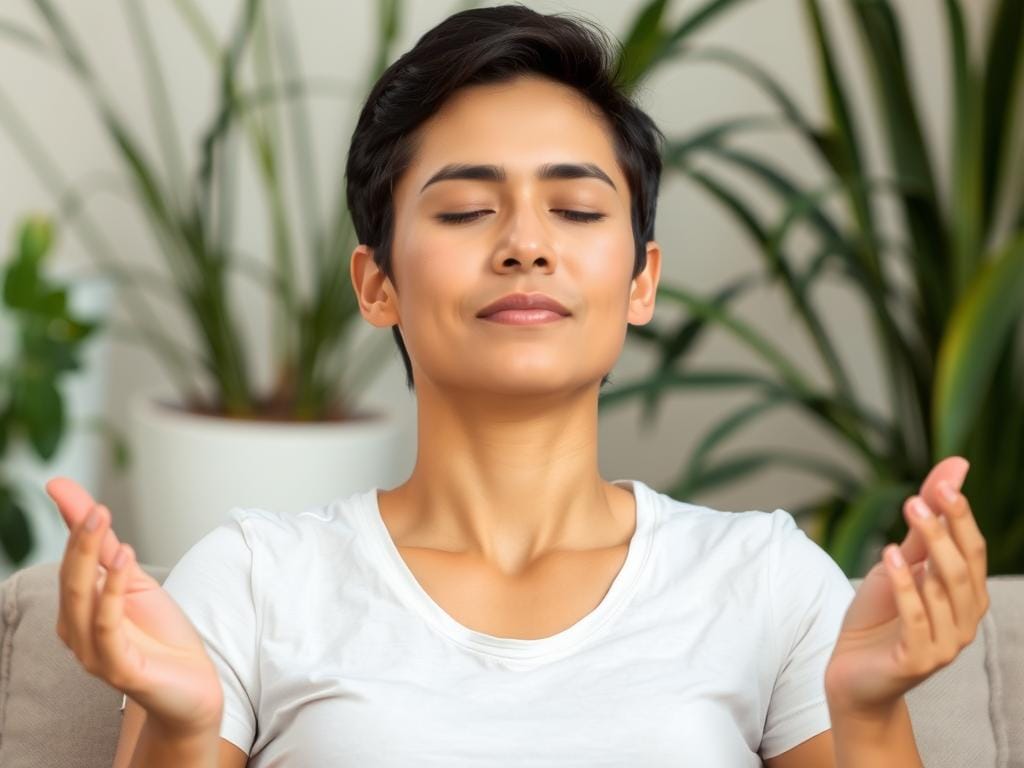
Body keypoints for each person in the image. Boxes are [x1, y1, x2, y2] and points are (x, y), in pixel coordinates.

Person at [47, 4, 989, 767]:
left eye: (576, 208)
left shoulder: (767, 582)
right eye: (465, 209)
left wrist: (867, 718)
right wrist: (175, 731)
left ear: (641, 280)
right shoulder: (255, 580)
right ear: (378, 283)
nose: (526, 244)